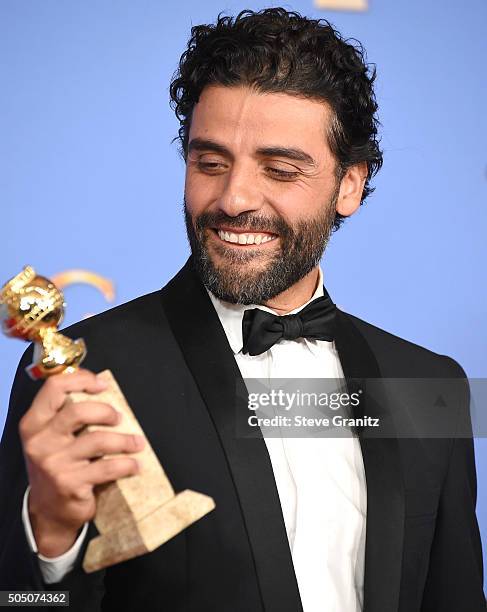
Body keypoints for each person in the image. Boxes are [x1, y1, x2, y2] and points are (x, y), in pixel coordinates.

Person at [0, 8, 484, 612]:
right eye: (209, 162)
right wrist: (50, 539)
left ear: (349, 186)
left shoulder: (429, 385)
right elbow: (20, 601)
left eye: (280, 170)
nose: (233, 198)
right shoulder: (82, 374)